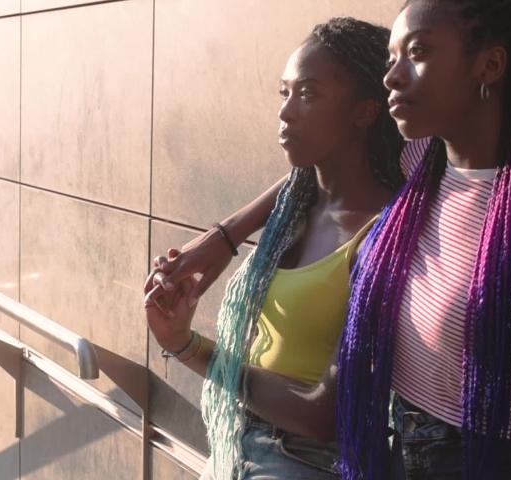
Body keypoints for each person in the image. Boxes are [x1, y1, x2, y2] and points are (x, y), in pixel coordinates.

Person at [150, 1, 511, 479]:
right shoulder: (422, 164)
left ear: (490, 65)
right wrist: (223, 239)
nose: (392, 77)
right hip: (396, 456)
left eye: (416, 52)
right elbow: (309, 171)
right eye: (391, 58)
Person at [144, 17, 406, 479]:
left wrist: (190, 349)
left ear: (365, 112)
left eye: (308, 94)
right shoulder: (295, 208)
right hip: (234, 444)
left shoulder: (385, 236)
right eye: (284, 93)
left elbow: (320, 414)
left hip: (305, 461)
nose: (286, 112)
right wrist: (224, 235)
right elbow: (300, 179)